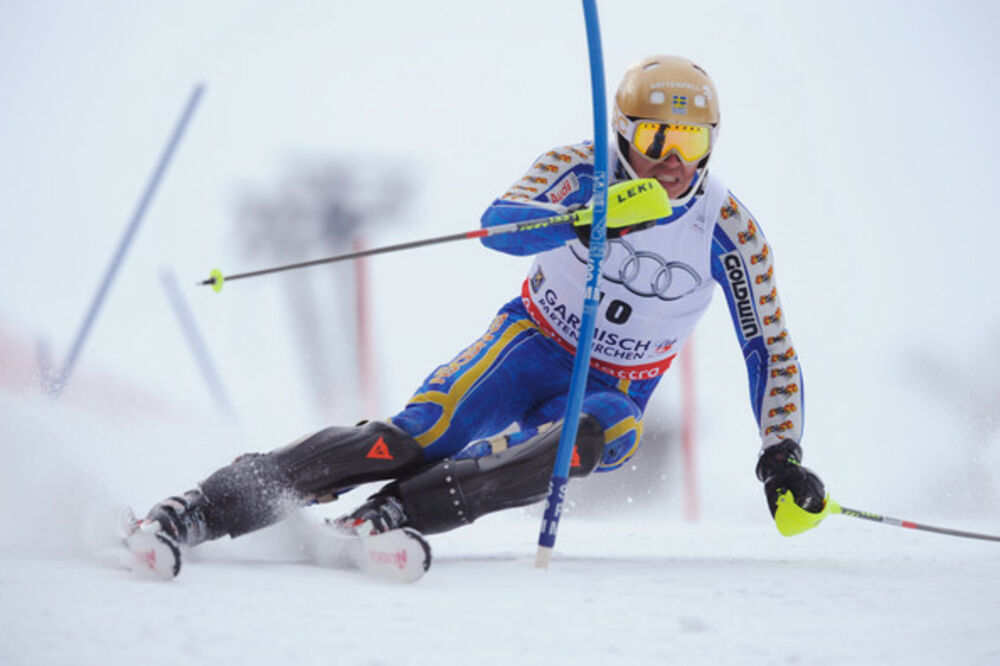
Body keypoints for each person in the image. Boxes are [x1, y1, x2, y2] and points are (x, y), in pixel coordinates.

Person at [134, 55, 826, 567]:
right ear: (623, 133)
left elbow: (769, 345)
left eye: (693, 142)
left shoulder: (728, 228)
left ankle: (391, 518)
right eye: (655, 141)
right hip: (530, 347)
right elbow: (500, 224)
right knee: (416, 438)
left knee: (594, 441)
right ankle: (202, 506)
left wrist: (781, 455)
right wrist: (580, 219)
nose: (673, 162)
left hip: (615, 385)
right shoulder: (579, 167)